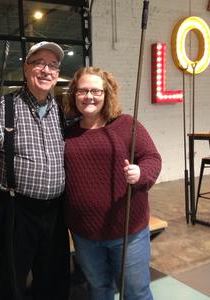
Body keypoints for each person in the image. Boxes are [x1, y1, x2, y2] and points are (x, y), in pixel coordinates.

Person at [0, 41, 70, 300]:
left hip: (55, 211)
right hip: (14, 210)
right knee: (13, 284)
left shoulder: (62, 110)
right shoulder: (4, 107)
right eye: (39, 63)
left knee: (54, 279)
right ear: (26, 69)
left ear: (57, 74)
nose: (47, 70)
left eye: (53, 65)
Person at [64, 67, 162, 300]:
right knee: (98, 290)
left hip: (128, 230)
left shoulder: (125, 124)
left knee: (136, 293)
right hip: (85, 233)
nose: (89, 96)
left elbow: (152, 159)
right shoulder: (67, 133)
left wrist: (140, 173)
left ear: (106, 95)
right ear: (74, 95)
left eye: (96, 91)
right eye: (83, 91)